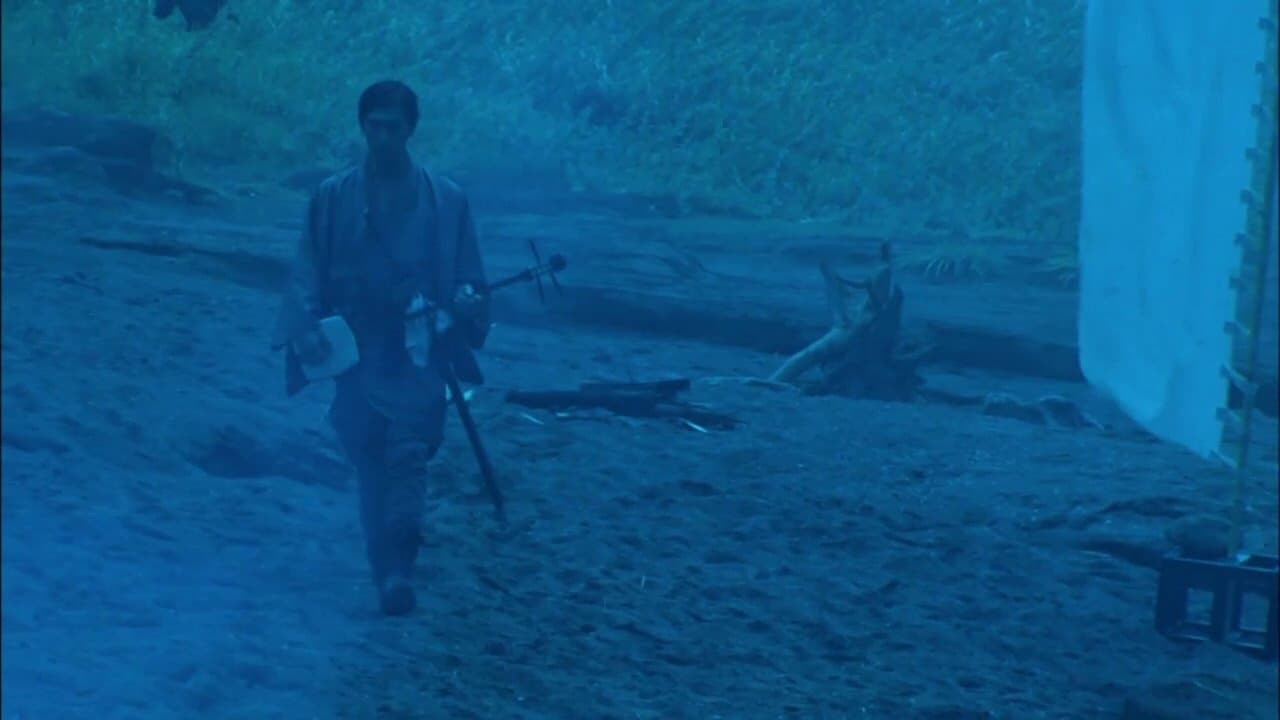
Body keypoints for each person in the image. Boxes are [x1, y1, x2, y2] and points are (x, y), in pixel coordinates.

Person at [271, 80, 491, 616]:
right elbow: (305, 269)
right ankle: (384, 568)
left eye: (393, 127)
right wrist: (304, 327)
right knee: (369, 462)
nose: (383, 136)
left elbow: (469, 277)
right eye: (374, 126)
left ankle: (401, 571)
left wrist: (466, 300)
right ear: (363, 127)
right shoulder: (332, 198)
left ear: (410, 129)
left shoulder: (446, 201)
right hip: (356, 350)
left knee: (409, 454)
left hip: (418, 349)